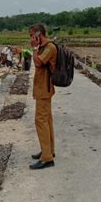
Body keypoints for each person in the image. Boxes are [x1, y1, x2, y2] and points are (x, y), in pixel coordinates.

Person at [29, 24, 57, 170]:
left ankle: (47, 158)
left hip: (44, 90)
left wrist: (34, 48)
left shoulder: (49, 47)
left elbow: (38, 63)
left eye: (32, 35)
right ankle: (48, 151)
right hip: (43, 89)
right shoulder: (45, 46)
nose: (31, 39)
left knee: (40, 120)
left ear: (39, 34)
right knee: (46, 120)